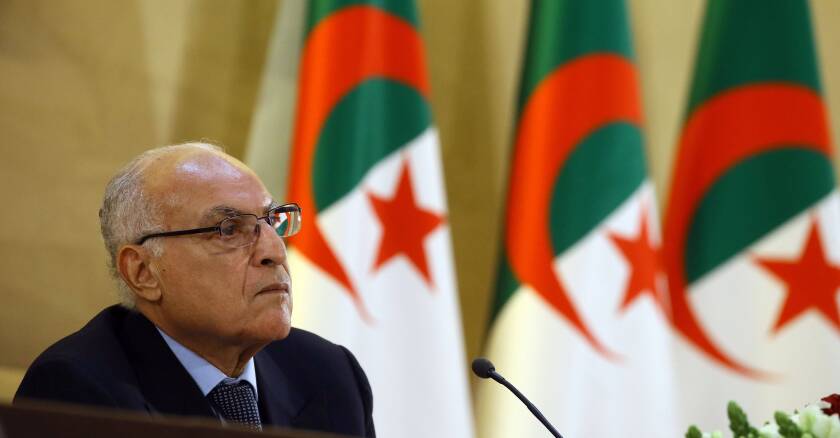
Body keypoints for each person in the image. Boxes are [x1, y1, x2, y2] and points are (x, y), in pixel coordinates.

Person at [14, 143, 375, 437]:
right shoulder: (77, 391)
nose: (275, 251)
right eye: (229, 229)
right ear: (143, 272)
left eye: (272, 221)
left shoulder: (329, 373)